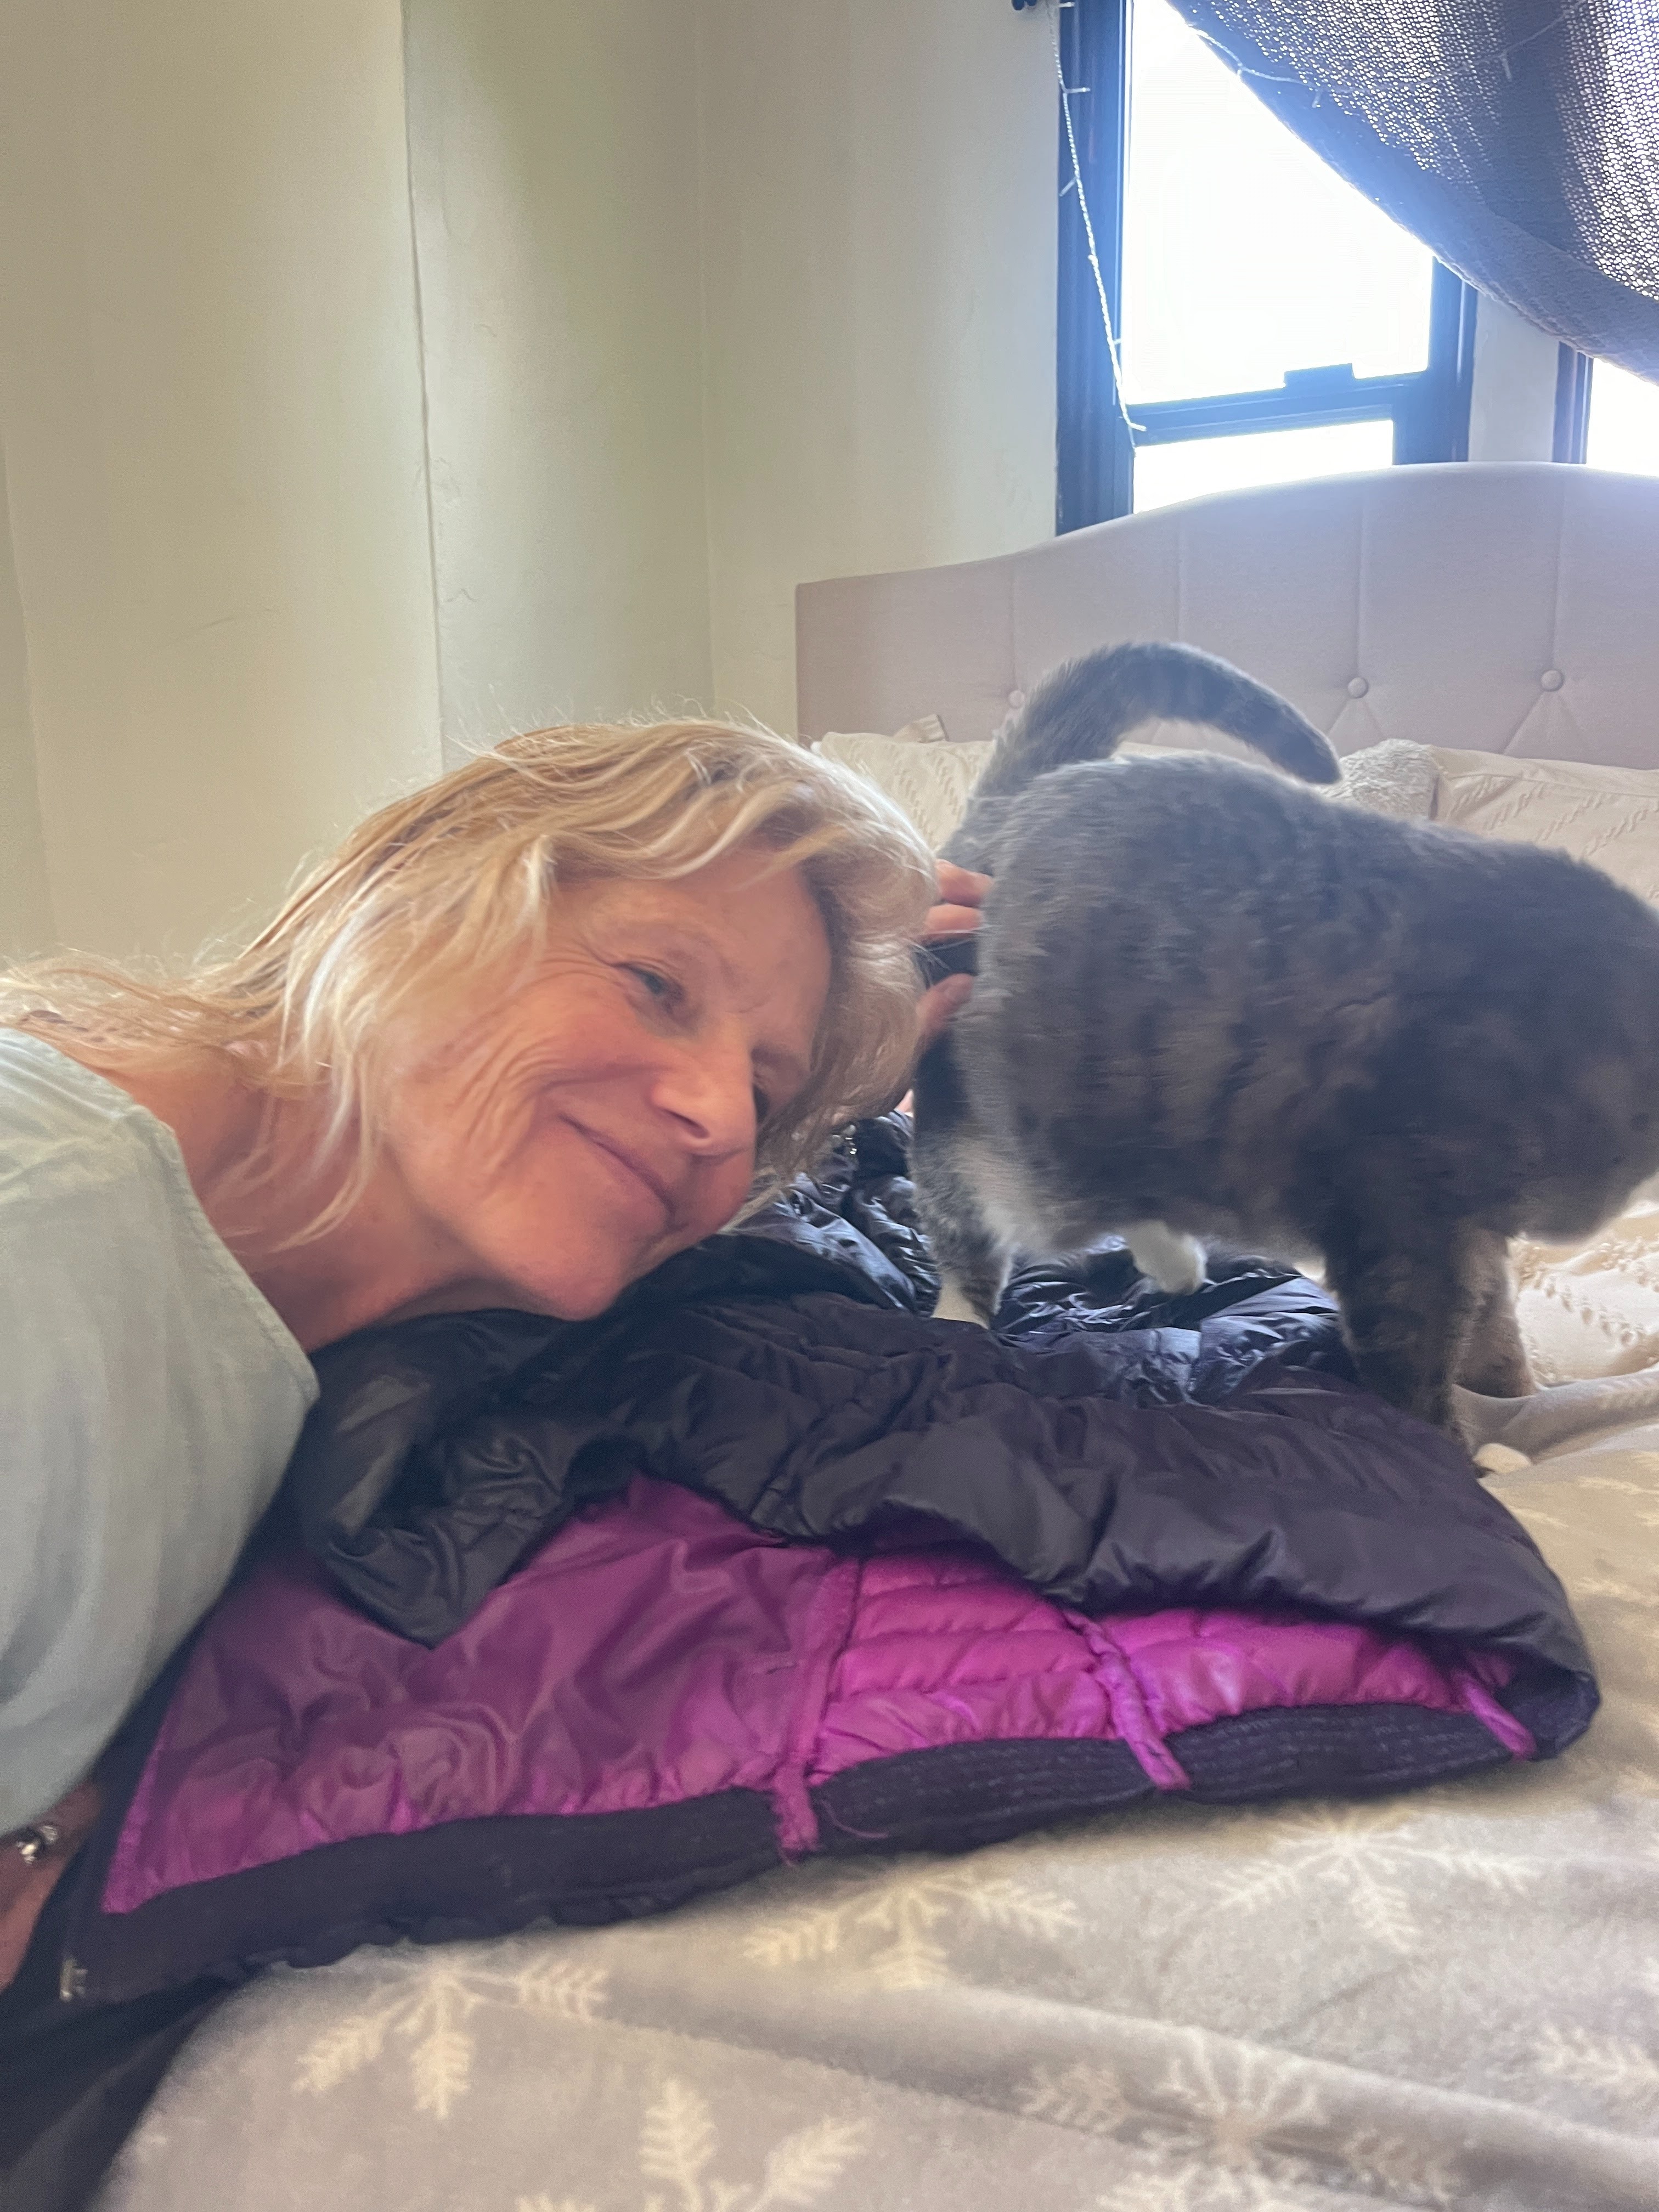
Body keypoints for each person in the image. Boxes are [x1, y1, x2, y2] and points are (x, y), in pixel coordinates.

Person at [0, 717, 985, 1929]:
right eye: (656, 986)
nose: (722, 1117)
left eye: (761, 1087)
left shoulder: (280, 1308)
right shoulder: (39, 1232)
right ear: (414, 905)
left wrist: (65, 1817)